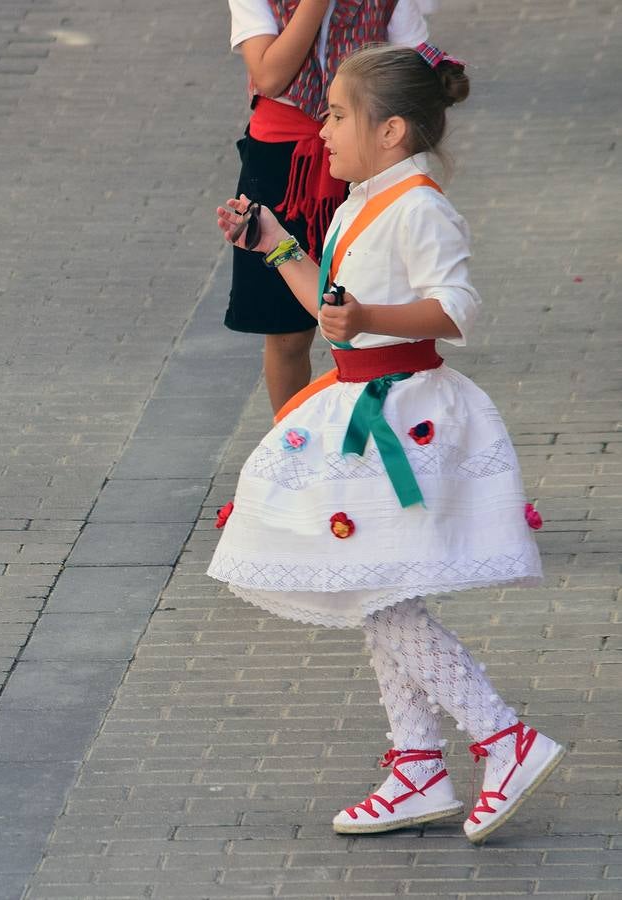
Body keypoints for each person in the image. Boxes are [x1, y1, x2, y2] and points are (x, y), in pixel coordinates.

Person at [208, 45, 563, 843]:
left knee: (376, 587)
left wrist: (369, 318)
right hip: (361, 403)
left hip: (402, 417)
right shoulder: (359, 202)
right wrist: (273, 242)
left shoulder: (422, 208)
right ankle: (418, 766)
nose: (324, 130)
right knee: (372, 585)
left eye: (336, 114)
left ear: (393, 129)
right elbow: (335, 304)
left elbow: (456, 309)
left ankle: (502, 738)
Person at [226, 0, 435, 413]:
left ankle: (385, 427)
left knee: (378, 295)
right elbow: (269, 76)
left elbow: (412, 72)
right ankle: (289, 443)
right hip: (284, 160)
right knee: (286, 329)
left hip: (369, 152)